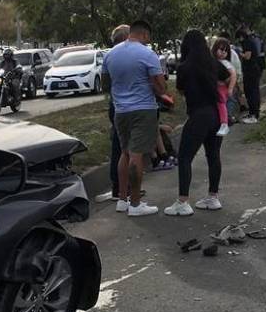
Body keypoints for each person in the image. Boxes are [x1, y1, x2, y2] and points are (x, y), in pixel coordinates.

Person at [101, 19, 167, 217]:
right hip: (143, 109)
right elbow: (161, 88)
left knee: (125, 152)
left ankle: (122, 199)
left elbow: (105, 85)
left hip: (120, 111)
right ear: (145, 34)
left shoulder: (111, 54)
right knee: (137, 155)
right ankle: (136, 204)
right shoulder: (148, 54)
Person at [165, 29, 229, 216]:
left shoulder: (184, 67)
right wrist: (225, 93)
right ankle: (213, 197)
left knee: (185, 157)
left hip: (198, 115)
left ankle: (183, 202)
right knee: (213, 155)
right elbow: (228, 77)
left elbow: (181, 90)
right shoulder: (213, 63)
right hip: (216, 115)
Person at [96, 24, 131, 203]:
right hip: (131, 107)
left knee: (118, 146)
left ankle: (119, 187)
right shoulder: (133, 56)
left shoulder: (109, 57)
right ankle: (125, 188)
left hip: (115, 105)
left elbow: (105, 85)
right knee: (127, 150)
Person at [236, 24, 266, 123]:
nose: (239, 40)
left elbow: (247, 56)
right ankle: (253, 113)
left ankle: (254, 114)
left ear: (241, 36)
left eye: (239, 38)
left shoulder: (247, 42)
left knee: (252, 92)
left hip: (251, 71)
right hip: (252, 70)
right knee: (251, 91)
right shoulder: (250, 41)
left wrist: (238, 52)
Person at [211, 37, 239, 136]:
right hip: (216, 87)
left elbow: (233, 75)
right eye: (221, 49)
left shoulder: (226, 63)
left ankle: (224, 124)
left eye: (226, 51)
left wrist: (230, 88)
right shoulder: (213, 62)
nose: (223, 52)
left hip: (222, 88)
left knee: (221, 103)